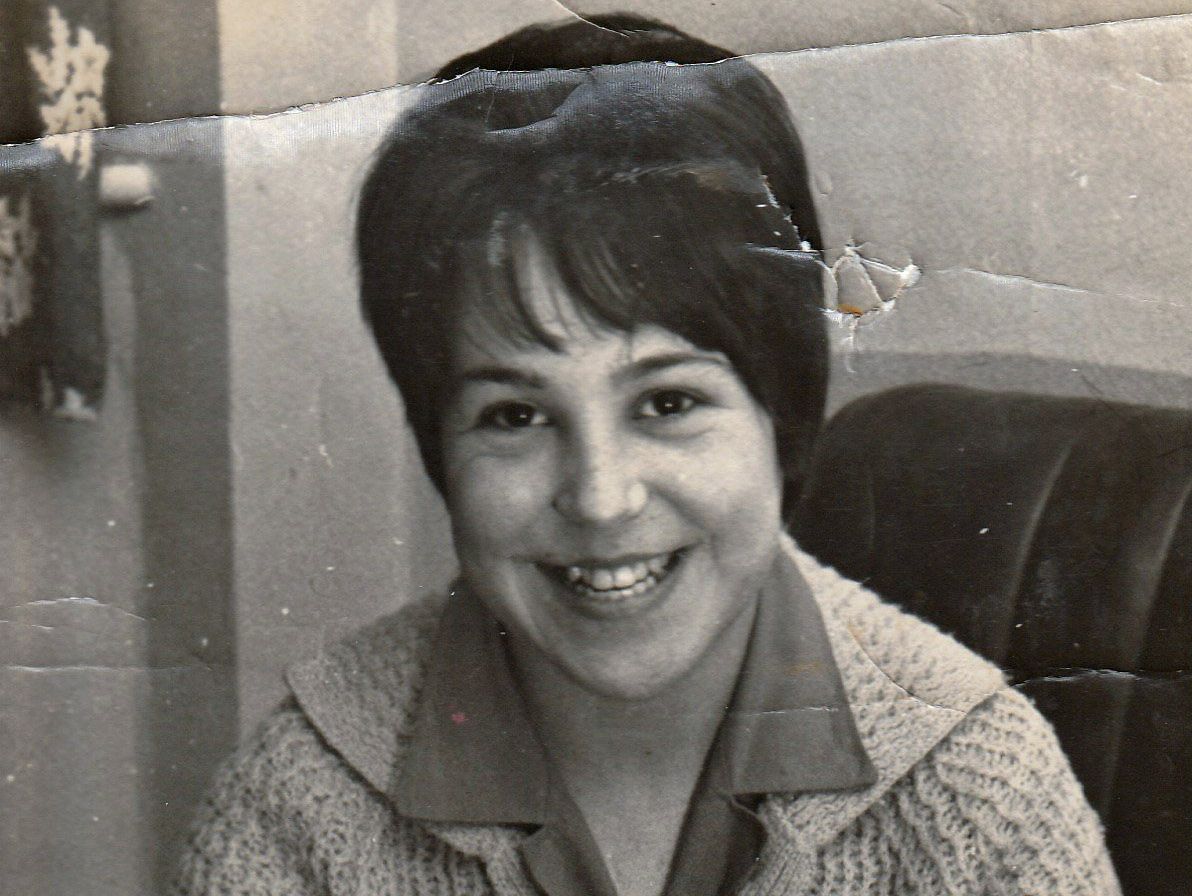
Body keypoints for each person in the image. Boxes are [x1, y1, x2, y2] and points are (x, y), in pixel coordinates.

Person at [175, 16, 1120, 896]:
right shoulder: (296, 812)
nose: (600, 495)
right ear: (438, 450)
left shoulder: (980, 793)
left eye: (668, 402)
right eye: (513, 415)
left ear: (782, 415)